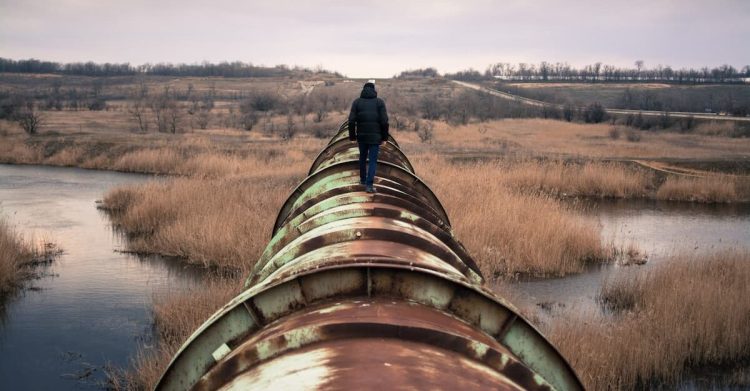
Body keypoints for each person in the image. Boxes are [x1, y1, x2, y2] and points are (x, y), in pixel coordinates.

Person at [348, 80, 389, 193]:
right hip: (375, 137)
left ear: (363, 90)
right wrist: (385, 138)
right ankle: (369, 186)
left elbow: (351, 121)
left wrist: (352, 137)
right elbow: (384, 121)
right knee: (372, 160)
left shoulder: (357, 102)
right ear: (374, 90)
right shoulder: (379, 102)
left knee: (362, 157)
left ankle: (362, 179)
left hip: (361, 136)